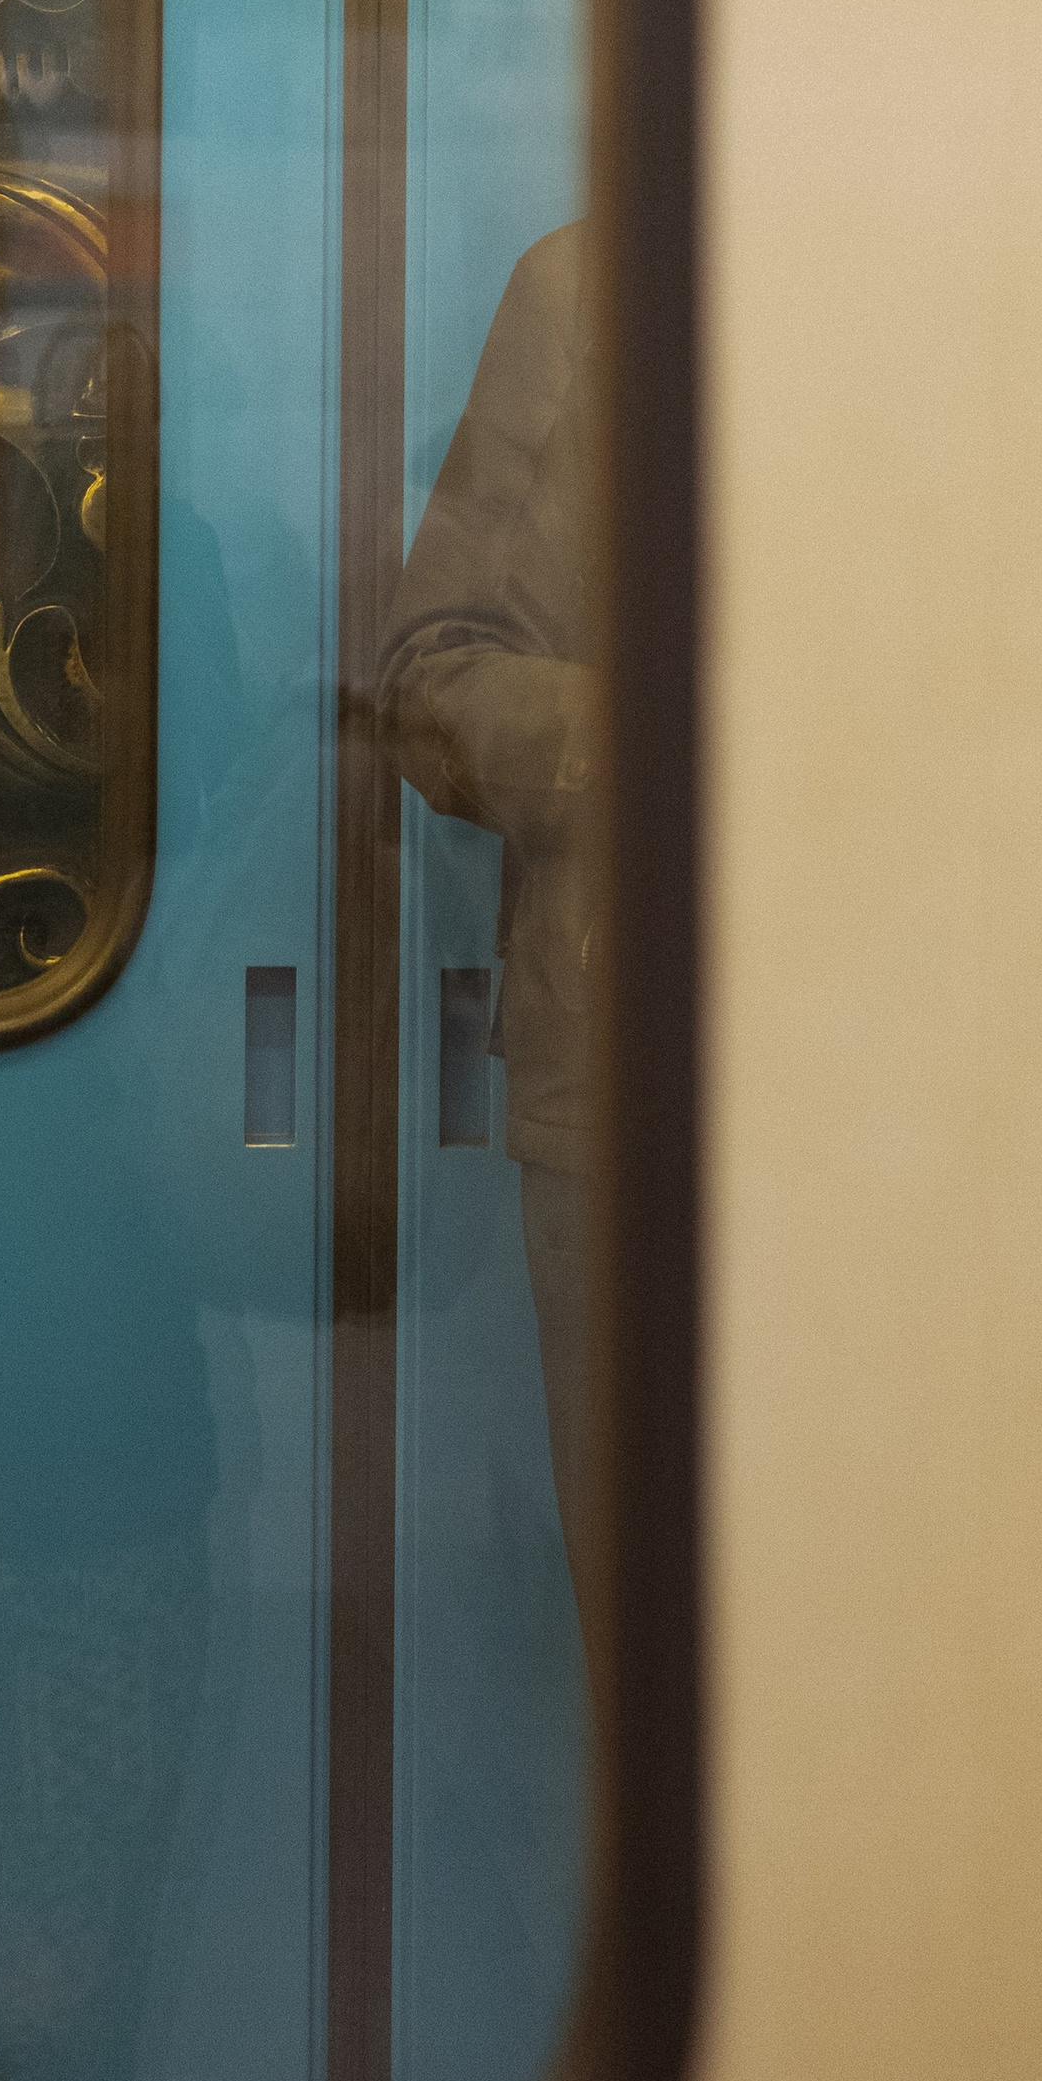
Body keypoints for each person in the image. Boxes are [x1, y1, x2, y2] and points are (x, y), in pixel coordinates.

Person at [376, 217, 598, 1609]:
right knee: (675, 1650)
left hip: (987, 1103)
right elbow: (430, 686)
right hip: (639, 1107)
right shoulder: (593, 289)